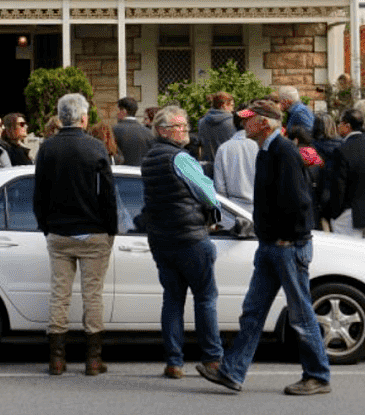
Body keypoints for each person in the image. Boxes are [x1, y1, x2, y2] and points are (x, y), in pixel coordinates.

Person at [197, 99, 330, 396]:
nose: (244, 124)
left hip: (286, 245)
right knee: (253, 311)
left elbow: (299, 201)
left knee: (300, 314)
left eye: (249, 120)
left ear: (265, 124)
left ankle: (318, 375)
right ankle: (233, 371)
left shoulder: (283, 152)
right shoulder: (267, 151)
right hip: (272, 244)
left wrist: (287, 236)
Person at [33, 93, 117, 376]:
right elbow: (107, 193)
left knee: (60, 294)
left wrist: (46, 225)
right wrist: (110, 228)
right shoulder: (96, 147)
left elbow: (39, 194)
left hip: (59, 231)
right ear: (84, 118)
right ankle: (93, 360)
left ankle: (57, 359)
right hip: (93, 230)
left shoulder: (47, 148)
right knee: (93, 295)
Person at [140, 105, 223, 380]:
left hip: (162, 240)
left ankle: (174, 362)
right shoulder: (181, 158)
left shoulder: (149, 159)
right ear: (163, 130)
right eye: (180, 126)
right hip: (190, 237)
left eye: (185, 126)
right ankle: (212, 359)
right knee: (206, 298)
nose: (185, 130)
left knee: (173, 300)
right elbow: (208, 193)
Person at [328, 108, 365, 243]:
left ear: (347, 126)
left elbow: (339, 185)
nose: (338, 127)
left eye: (340, 123)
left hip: (350, 213)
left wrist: (335, 213)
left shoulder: (341, 151)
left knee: (349, 258)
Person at [211, 107, 258, 211]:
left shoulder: (224, 148)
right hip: (261, 209)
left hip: (234, 210)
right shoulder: (261, 146)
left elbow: (220, 188)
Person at [112, 97, 153, 166]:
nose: (116, 113)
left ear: (124, 111)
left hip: (121, 173)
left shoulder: (114, 130)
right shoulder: (148, 132)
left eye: (118, 110)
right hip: (142, 173)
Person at [197, 92, 236, 163]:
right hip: (228, 167)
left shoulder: (201, 122)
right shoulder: (233, 122)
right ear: (224, 105)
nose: (232, 109)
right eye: (231, 105)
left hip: (208, 167)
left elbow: (200, 148)